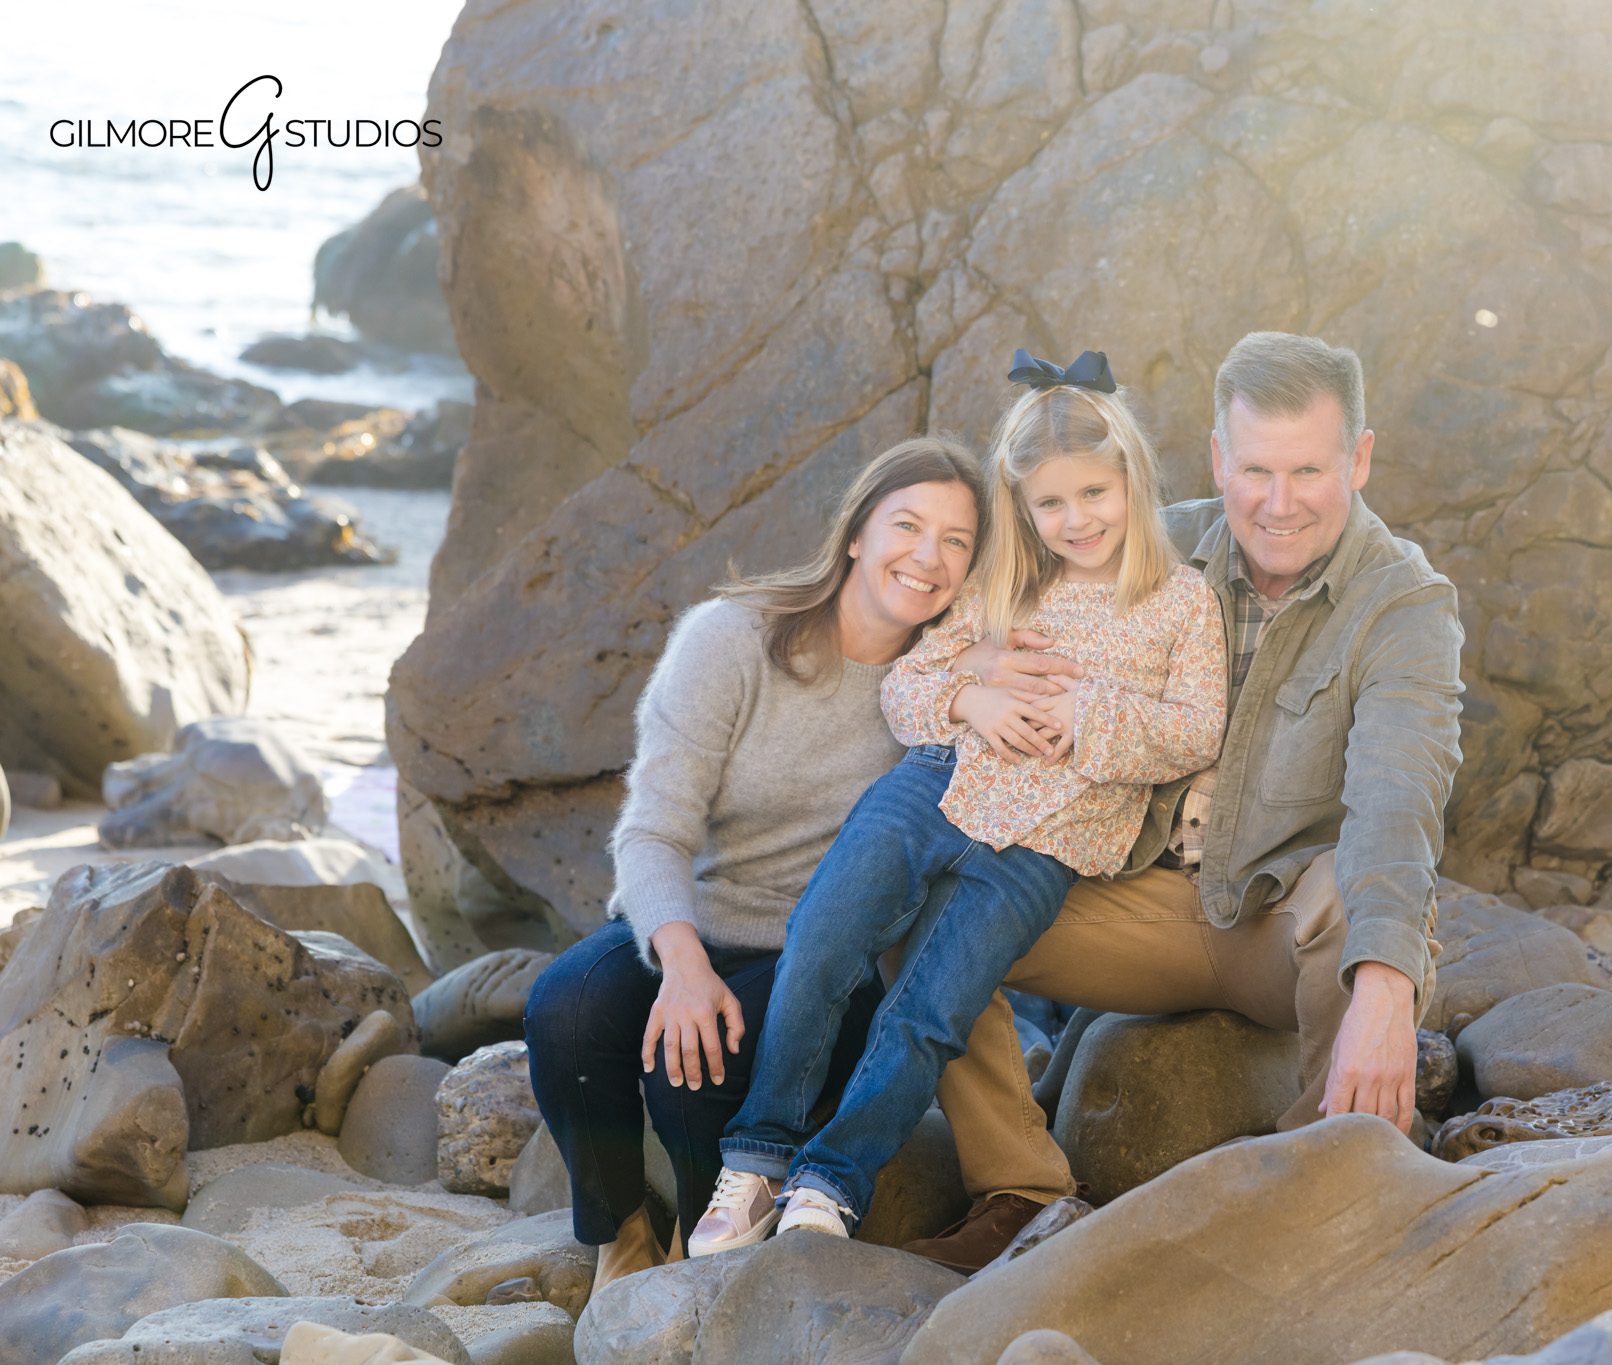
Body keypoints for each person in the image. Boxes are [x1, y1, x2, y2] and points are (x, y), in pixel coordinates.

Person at [902, 331, 1467, 1270]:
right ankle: (1022, 1190)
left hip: (1278, 930)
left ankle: (1314, 1200)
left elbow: (1398, 799)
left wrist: (1387, 985)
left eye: (1307, 470)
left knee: (1346, 902)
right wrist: (977, 668)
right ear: (1216, 458)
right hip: (1132, 901)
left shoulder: (1404, 603)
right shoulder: (1148, 548)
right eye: (1254, 470)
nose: (1277, 504)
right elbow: (976, 605)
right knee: (917, 894)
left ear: (1358, 459)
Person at [685, 350, 1228, 1253]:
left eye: (1094, 494)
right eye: (1050, 503)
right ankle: (757, 1156)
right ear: (1021, 505)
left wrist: (1091, 713)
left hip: (1049, 842)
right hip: (935, 783)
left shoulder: (1180, 601)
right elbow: (908, 683)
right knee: (825, 934)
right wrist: (969, 695)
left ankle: (832, 1181)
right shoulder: (1004, 584)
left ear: (1131, 478)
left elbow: (1197, 729)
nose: (1076, 519)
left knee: (932, 1006)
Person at [521, 436, 986, 1291]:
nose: (927, 556)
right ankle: (622, 1229)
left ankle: (708, 1263)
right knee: (566, 1011)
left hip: (831, 962)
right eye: (908, 525)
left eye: (956, 540)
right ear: (856, 532)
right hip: (702, 921)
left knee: (693, 1068)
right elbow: (652, 830)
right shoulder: (733, 638)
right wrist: (682, 962)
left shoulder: (948, 688)